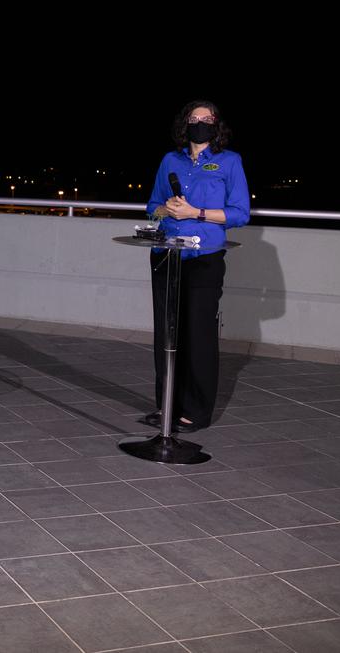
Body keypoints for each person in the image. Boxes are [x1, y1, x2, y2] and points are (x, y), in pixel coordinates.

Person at [144, 100, 250, 432]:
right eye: (194, 118)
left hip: (204, 260)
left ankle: (196, 410)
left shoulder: (229, 162)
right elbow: (151, 207)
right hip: (167, 256)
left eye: (206, 119)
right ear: (184, 123)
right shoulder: (170, 160)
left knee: (198, 336)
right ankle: (166, 406)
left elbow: (239, 214)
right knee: (167, 334)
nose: (199, 123)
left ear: (217, 125)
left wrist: (196, 213)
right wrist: (167, 208)